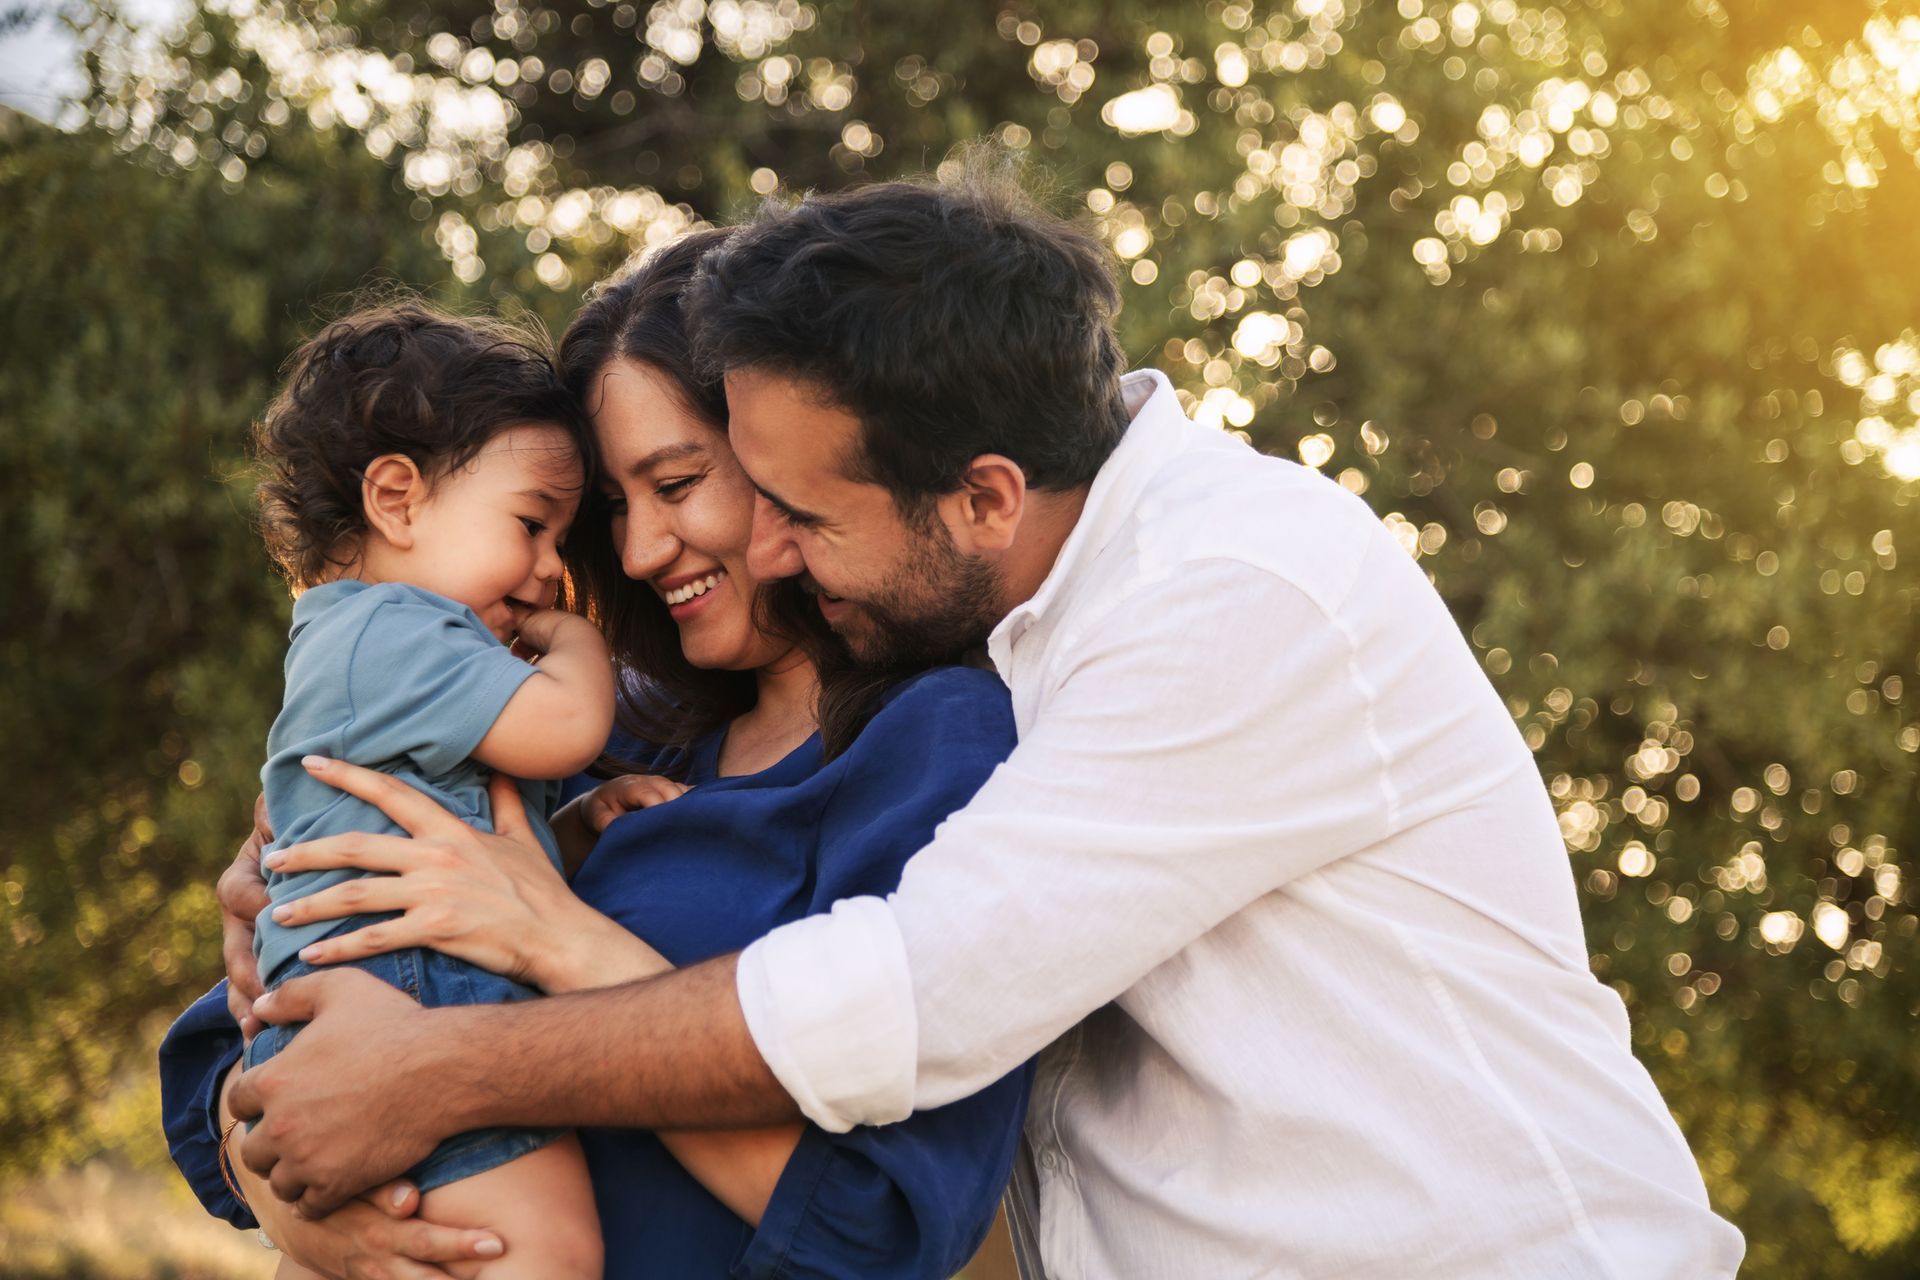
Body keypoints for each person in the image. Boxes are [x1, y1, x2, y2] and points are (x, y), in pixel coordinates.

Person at [214, 164, 1747, 1279]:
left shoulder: (1227, 596)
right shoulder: (671, 718)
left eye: (769, 501)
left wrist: (449, 1067)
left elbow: (909, 1011)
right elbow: (254, 1046)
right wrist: (295, 1163)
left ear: (984, 494)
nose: (757, 550)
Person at [160, 231, 1030, 1278]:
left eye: (675, 482)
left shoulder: (944, 742)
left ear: (785, 456)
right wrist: (314, 1211)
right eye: (613, 506)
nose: (634, 550)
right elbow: (223, 1065)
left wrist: (550, 936)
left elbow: (882, 1228)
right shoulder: (595, 726)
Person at [237, 301, 612, 1280]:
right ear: (397, 499)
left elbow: (468, 831)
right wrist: (579, 643)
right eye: (533, 524)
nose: (546, 573)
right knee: (544, 1248)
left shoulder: (353, 639)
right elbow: (568, 724)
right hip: (411, 995)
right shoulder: (404, 628)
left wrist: (574, 824)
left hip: (346, 1000)